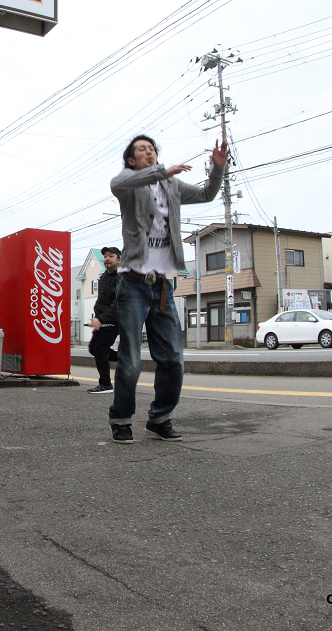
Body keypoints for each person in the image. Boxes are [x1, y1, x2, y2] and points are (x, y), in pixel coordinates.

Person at [108, 135, 226, 443]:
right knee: (131, 360)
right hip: (132, 283)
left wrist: (217, 169)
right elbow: (116, 182)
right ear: (131, 160)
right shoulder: (128, 185)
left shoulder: (172, 186)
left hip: (162, 287)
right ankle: (121, 419)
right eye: (142, 150)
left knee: (173, 358)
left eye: (152, 149)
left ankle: (160, 417)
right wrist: (162, 171)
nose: (149, 153)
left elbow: (207, 194)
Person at [86, 246, 122, 394]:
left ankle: (106, 384)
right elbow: (102, 301)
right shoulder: (104, 276)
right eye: (105, 256)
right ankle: (126, 357)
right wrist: (97, 319)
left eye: (111, 256)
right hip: (102, 320)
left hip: (113, 320)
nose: (107, 259)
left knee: (100, 350)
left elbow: (118, 304)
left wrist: (101, 319)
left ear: (119, 259)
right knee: (93, 349)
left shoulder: (122, 277)